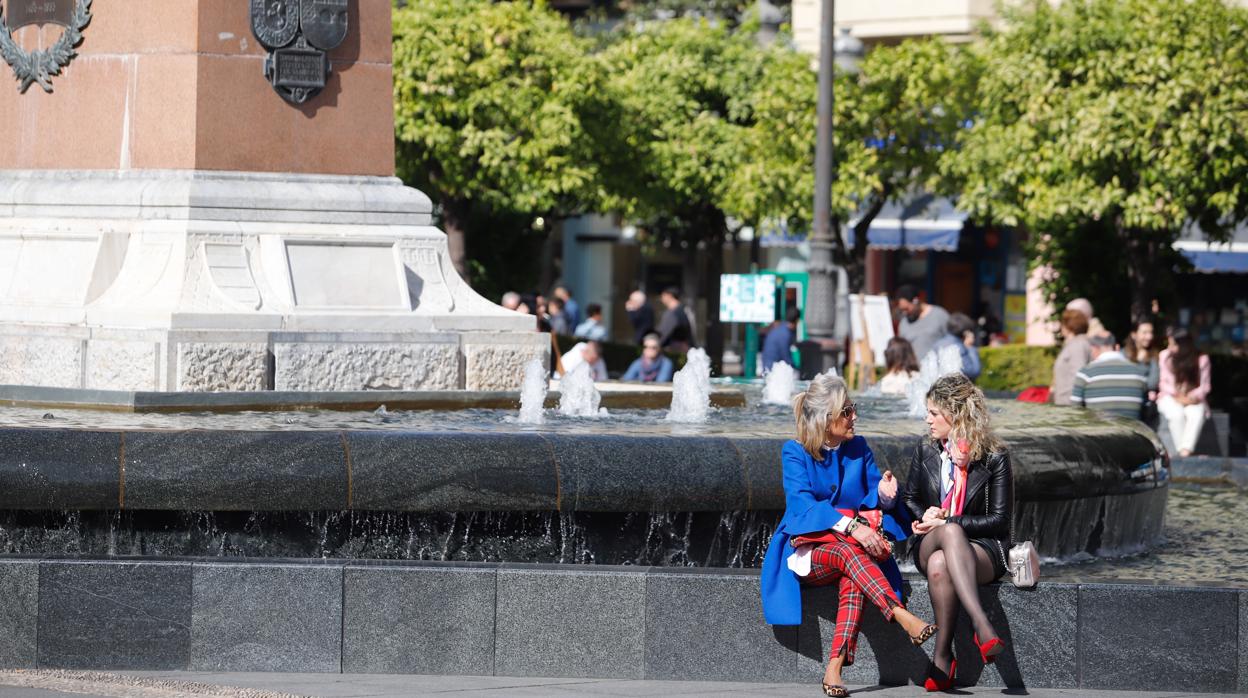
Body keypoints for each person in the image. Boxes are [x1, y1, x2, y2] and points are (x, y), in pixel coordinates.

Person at [761, 373, 937, 698]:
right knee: (848, 552)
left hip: (851, 554)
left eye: (852, 408)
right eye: (847, 411)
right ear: (827, 419)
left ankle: (835, 668)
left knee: (852, 574)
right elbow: (802, 505)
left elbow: (873, 492)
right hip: (808, 552)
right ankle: (899, 613)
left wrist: (885, 494)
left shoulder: (858, 446)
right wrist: (853, 526)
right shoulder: (794, 452)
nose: (854, 415)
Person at [902, 372, 1012, 691]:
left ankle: (942, 657)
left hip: (982, 549)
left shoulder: (994, 457)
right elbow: (910, 499)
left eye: (934, 413)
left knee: (941, 564)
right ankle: (982, 625)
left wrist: (951, 520)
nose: (927, 420)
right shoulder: (925, 450)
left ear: (956, 414)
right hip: (930, 540)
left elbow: (1000, 521)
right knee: (947, 535)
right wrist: (928, 514)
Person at [1157, 328, 1212, 457]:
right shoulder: (1165, 356)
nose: (1170, 348)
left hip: (1193, 399)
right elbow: (1163, 383)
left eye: (1174, 344)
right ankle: (1185, 454)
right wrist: (1177, 395)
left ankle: (1184, 452)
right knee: (1176, 414)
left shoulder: (1202, 359)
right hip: (1170, 397)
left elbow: (1205, 386)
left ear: (1185, 345)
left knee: (1196, 413)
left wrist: (1191, 396)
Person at [1070, 334, 1150, 419]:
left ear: (1094, 349)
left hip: (1098, 430)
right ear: (1117, 348)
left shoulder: (1085, 373)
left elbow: (1075, 411)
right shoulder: (1139, 373)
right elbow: (1146, 410)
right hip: (1132, 431)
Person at [893, 284, 950, 362]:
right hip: (913, 371)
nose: (904, 313)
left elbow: (952, 340)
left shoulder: (939, 315)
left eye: (906, 309)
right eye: (902, 310)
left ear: (916, 301)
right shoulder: (904, 323)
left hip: (937, 370)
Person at [1051, 308, 1091, 406]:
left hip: (1069, 405)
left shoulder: (1078, 345)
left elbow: (1078, 376)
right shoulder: (1074, 344)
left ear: (1069, 326)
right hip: (1065, 403)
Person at [931, 312, 982, 381]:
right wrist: (970, 347)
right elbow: (973, 371)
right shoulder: (959, 347)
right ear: (966, 332)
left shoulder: (937, 344)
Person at [762, 306, 800, 373]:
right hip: (773, 368)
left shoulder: (780, 328)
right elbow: (785, 354)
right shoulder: (785, 333)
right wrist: (794, 367)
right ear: (796, 321)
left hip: (768, 365)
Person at [657, 287, 695, 352]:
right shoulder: (684, 309)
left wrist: (655, 343)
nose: (661, 298)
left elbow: (664, 333)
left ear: (669, 296)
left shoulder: (674, 312)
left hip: (676, 350)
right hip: (684, 348)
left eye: (663, 295)